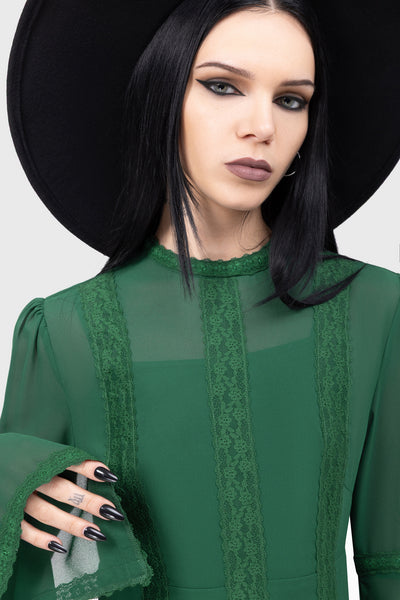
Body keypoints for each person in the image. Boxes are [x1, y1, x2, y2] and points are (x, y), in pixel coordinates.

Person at [1, 0, 399, 599]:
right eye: (222, 86)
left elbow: (391, 559)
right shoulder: (63, 331)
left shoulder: (376, 310)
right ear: (160, 97)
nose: (262, 126)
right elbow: (29, 570)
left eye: (291, 100)